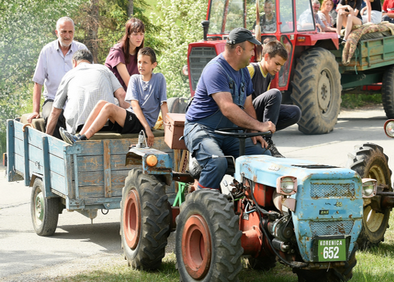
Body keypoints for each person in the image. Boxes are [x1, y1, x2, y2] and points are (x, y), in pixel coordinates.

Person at [184, 28, 276, 190]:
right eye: (250, 50)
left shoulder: (243, 72)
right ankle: (198, 200)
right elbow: (227, 108)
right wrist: (260, 126)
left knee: (263, 157)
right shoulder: (216, 70)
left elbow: (248, 106)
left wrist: (254, 132)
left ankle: (249, 202)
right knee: (216, 162)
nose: (253, 55)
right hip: (202, 129)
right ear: (239, 50)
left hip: (229, 132)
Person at [60, 47, 167, 148]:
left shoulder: (159, 78)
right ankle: (79, 135)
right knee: (102, 103)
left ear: (154, 65)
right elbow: (133, 105)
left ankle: (83, 138)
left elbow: (163, 104)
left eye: (145, 62)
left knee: (109, 107)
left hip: (144, 123)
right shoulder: (134, 79)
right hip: (133, 118)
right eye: (139, 62)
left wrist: (153, 129)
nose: (141, 65)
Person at [28, 17, 89, 138]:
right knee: (52, 115)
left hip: (77, 99)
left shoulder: (82, 49)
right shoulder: (47, 51)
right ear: (57, 32)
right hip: (53, 99)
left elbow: (90, 77)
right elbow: (38, 82)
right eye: (64, 32)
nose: (67, 35)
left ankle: (79, 150)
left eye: (70, 32)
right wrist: (35, 110)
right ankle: (57, 153)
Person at [46, 50, 129, 137]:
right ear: (92, 62)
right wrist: (130, 124)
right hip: (108, 125)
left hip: (79, 127)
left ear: (74, 62)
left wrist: (47, 137)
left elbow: (55, 112)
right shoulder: (104, 69)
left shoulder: (69, 75)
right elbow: (121, 95)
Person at [248, 40, 302, 157]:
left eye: (281, 66)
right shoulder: (251, 70)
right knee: (275, 93)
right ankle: (267, 141)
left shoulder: (268, 77)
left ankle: (263, 135)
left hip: (257, 115)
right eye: (277, 64)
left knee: (295, 112)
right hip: (246, 113)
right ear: (266, 56)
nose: (278, 69)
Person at [105, 18, 145, 90]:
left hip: (129, 95)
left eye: (141, 34)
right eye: (135, 34)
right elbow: (129, 82)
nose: (139, 38)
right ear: (128, 35)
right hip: (113, 95)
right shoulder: (117, 52)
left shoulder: (140, 54)